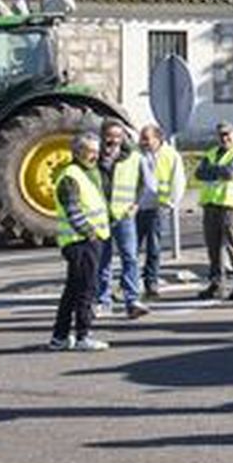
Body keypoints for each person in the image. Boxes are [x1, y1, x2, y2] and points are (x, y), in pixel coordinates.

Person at [51, 131, 112, 352]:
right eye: (90, 152)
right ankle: (83, 336)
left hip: (84, 240)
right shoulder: (71, 176)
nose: (95, 156)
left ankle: (59, 337)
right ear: (77, 152)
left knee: (73, 290)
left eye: (96, 151)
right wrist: (89, 232)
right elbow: (73, 210)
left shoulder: (87, 173)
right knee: (87, 289)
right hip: (81, 242)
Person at [97, 121, 152, 319]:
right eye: (109, 136)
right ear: (102, 136)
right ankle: (103, 301)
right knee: (102, 261)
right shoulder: (93, 157)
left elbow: (146, 184)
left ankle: (132, 300)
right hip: (100, 218)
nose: (113, 141)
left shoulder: (134, 158)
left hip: (124, 217)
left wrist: (137, 204)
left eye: (117, 136)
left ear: (123, 138)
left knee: (130, 257)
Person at [194, 121, 233, 301]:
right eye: (221, 135)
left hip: (231, 205)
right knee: (213, 248)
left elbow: (230, 172)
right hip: (211, 204)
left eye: (227, 134)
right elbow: (198, 173)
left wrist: (212, 171)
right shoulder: (212, 153)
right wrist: (217, 171)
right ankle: (217, 284)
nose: (224, 138)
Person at [136, 124, 185, 300]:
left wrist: (171, 203)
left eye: (146, 138)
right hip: (137, 207)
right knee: (131, 248)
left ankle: (151, 283)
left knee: (153, 247)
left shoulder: (171, 155)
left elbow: (178, 180)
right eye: (142, 138)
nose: (143, 142)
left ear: (158, 139)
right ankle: (130, 283)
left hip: (158, 206)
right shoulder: (137, 154)